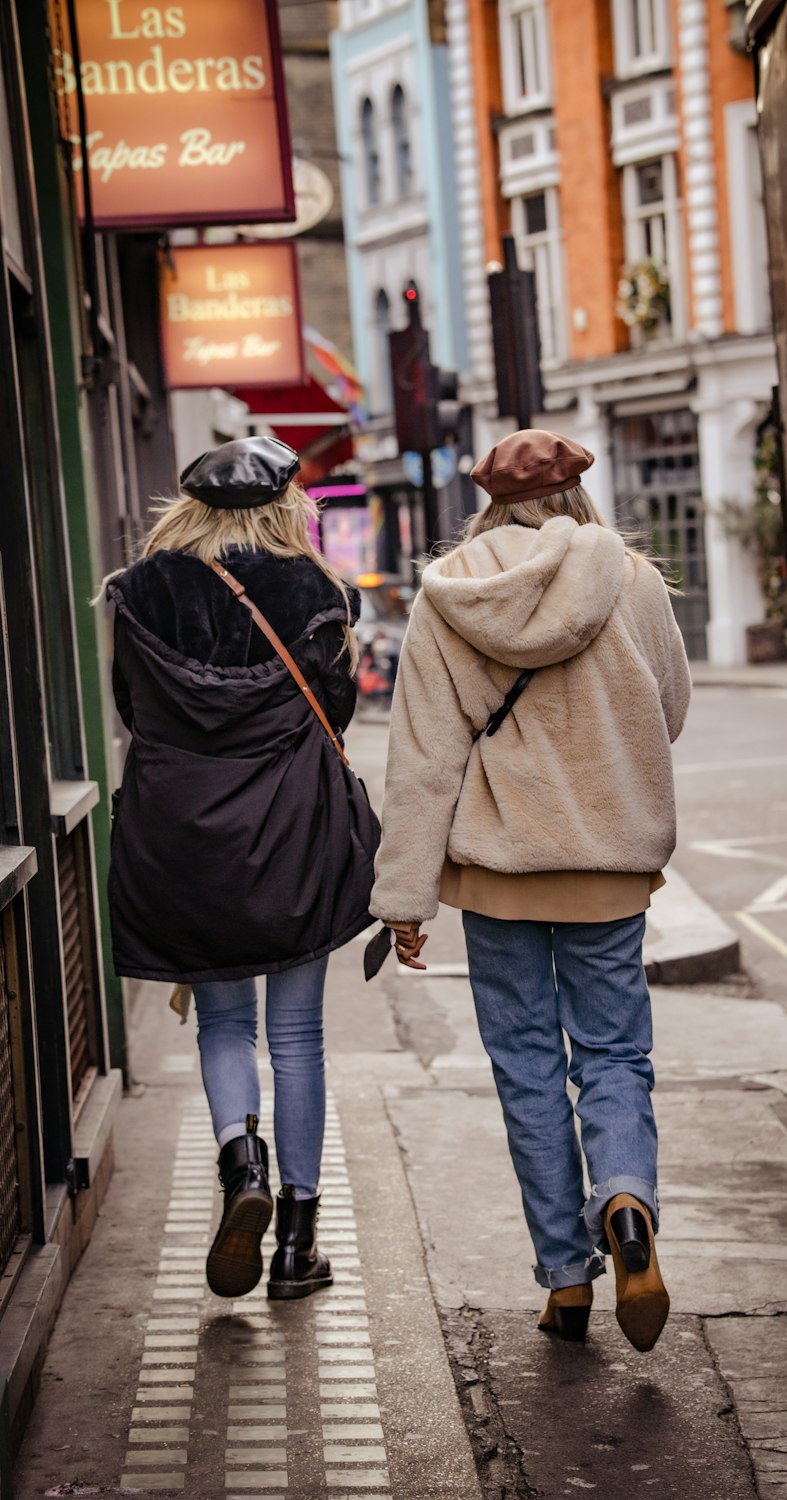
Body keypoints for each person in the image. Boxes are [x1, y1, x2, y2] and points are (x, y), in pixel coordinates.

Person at [370, 429, 691, 1351]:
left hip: (499, 877)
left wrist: (405, 900)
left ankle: (566, 1280)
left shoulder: (450, 596)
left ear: (491, 504)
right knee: (615, 1055)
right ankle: (627, 1203)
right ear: (576, 495)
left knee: (528, 1070)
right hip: (610, 870)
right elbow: (666, 712)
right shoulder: (631, 581)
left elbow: (424, 758)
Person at [106, 436, 372, 1301]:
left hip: (180, 841)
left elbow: (129, 707)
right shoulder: (316, 590)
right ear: (285, 504)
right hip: (292, 832)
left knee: (224, 1025)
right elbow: (338, 707)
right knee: (298, 1042)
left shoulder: (138, 591)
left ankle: (239, 1164)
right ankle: (296, 1243)